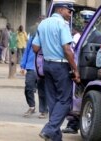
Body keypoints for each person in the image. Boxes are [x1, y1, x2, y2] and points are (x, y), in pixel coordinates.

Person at [32, 3, 80, 141]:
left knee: (53, 100)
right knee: (64, 101)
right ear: (60, 10)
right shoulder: (62, 25)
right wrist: (75, 69)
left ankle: (55, 136)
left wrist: (48, 47)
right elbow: (67, 50)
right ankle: (49, 129)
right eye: (68, 11)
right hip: (61, 66)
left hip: (47, 65)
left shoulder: (43, 24)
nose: (70, 14)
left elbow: (35, 47)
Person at [62, 10, 101, 134]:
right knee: (75, 98)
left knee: (83, 98)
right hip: (79, 70)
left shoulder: (99, 36)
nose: (86, 24)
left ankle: (76, 124)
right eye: (85, 22)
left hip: (90, 72)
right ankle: (72, 124)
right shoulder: (82, 35)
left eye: (88, 22)